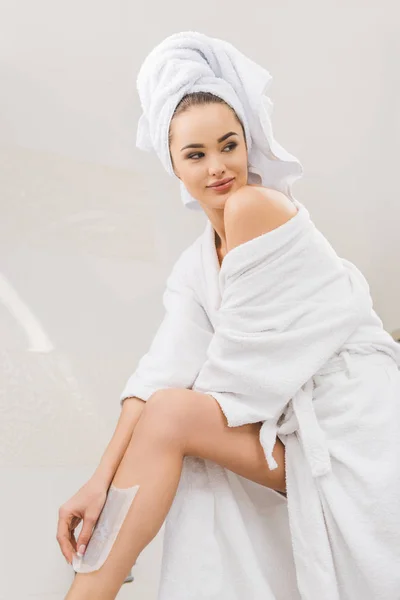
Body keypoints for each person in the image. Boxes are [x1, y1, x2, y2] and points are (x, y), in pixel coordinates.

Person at [57, 35, 400, 600]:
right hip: (299, 435)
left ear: (249, 144)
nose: (218, 168)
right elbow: (158, 374)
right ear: (173, 164)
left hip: (357, 430)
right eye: (195, 154)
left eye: (229, 145)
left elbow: (239, 379)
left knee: (175, 419)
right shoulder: (196, 265)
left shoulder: (257, 208)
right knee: (169, 413)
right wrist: (100, 482)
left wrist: (152, 446)